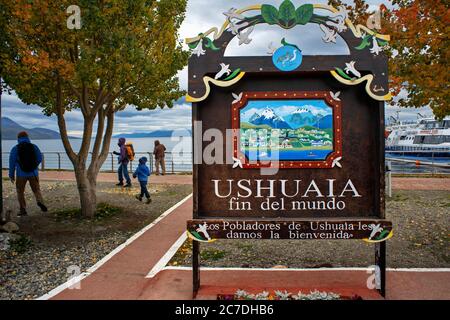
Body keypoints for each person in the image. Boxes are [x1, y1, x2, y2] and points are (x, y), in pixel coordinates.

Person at [8, 131, 47, 217]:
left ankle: (23, 210)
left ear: (18, 139)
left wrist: (11, 175)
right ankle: (40, 202)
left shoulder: (15, 148)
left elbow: (12, 163)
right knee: (36, 190)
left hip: (21, 175)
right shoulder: (34, 147)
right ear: (28, 137)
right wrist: (33, 166)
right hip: (33, 173)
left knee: (20, 192)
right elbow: (40, 158)